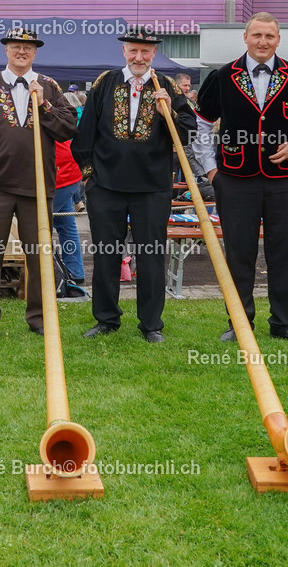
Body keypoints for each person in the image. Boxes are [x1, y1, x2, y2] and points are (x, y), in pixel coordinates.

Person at [194, 12, 288, 344]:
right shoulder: (222, 76)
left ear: (278, 39)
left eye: (269, 36)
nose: (262, 42)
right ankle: (239, 323)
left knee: (286, 251)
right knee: (239, 253)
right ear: (245, 37)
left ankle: (284, 324)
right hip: (235, 179)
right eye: (256, 36)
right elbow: (202, 126)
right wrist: (211, 170)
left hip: (287, 180)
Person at [72, 27, 196, 343]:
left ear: (154, 54)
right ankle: (106, 319)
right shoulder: (105, 82)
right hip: (106, 186)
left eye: (145, 51)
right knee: (106, 253)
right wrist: (89, 176)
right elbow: (84, 133)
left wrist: (167, 111)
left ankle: (151, 324)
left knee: (152, 254)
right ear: (124, 51)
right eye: (133, 51)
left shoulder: (166, 86)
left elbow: (188, 135)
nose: (139, 57)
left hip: (153, 187)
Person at [0, 28, 77, 337]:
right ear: (6, 50)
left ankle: (38, 319)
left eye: (28, 47)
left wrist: (44, 105)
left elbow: (67, 129)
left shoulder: (49, 87)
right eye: (15, 46)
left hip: (37, 187)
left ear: (35, 52)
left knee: (38, 257)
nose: (21, 51)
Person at [53, 140, 84, 284]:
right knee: (66, 226)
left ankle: (47, 274)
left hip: (60, 174)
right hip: (67, 172)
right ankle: (75, 273)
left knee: (35, 227)